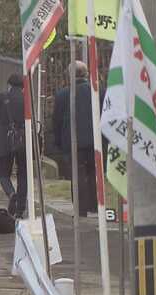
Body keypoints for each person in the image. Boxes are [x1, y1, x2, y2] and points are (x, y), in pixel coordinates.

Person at [52, 61, 97, 217]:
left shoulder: (63, 94)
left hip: (73, 141)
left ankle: (81, 209)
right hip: (94, 140)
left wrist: (57, 142)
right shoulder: (96, 91)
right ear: (85, 74)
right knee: (93, 173)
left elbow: (57, 121)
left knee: (77, 174)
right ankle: (95, 206)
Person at [0, 74, 26, 218]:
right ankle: (21, 209)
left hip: (5, 138)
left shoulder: (2, 97)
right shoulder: (27, 99)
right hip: (23, 139)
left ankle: (11, 194)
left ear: (9, 85)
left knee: (3, 174)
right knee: (23, 174)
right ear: (23, 87)